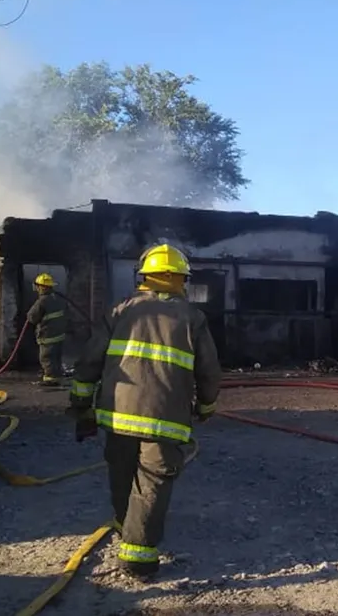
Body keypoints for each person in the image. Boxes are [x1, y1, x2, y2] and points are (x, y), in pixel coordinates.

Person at [69, 243, 222, 581]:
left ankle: (128, 530)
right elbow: (209, 370)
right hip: (165, 419)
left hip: (117, 416)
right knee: (153, 481)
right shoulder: (193, 318)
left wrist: (81, 404)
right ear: (181, 279)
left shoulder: (120, 310)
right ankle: (139, 557)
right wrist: (207, 405)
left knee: (122, 473)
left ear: (144, 277)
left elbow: (90, 361)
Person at [27, 273, 68, 387]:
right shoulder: (58, 298)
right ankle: (57, 375)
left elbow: (32, 317)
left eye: (37, 286)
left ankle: (50, 380)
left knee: (46, 357)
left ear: (41, 287)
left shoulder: (42, 301)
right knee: (56, 356)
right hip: (59, 334)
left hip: (48, 335)